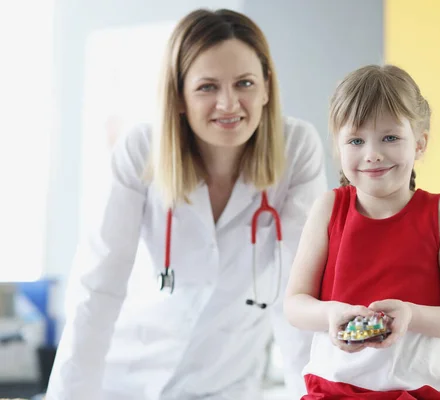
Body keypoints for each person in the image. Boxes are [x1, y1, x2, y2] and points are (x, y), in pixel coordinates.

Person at [47, 8, 327, 400]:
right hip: (122, 381)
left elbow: (298, 292)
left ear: (266, 87)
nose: (229, 103)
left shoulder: (296, 148)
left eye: (244, 83)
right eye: (207, 87)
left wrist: (313, 395)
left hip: (224, 384)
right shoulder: (140, 150)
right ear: (178, 96)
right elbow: (98, 288)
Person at [284, 64, 440, 399]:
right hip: (334, 392)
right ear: (339, 147)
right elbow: (295, 304)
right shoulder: (328, 209)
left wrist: (410, 314)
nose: (372, 154)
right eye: (356, 140)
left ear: (419, 144)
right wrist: (331, 312)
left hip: (419, 392)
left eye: (390, 138)